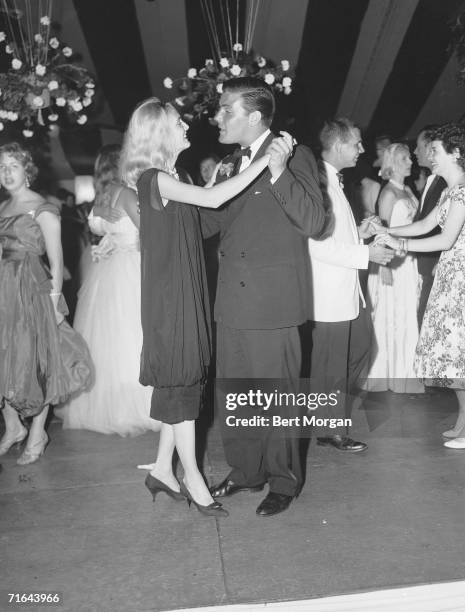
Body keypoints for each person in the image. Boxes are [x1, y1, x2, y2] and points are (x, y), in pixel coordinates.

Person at [120, 97, 289, 517]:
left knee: (182, 378)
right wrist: (264, 163)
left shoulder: (175, 177)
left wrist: (216, 180)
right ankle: (193, 477)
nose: (186, 127)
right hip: (169, 295)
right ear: (160, 133)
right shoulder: (153, 179)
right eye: (178, 123)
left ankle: (162, 468)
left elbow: (202, 215)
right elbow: (211, 204)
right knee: (181, 378)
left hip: (182, 287)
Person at [201, 77, 327, 517]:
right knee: (236, 395)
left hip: (273, 303)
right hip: (232, 302)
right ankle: (246, 470)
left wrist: (277, 172)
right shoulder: (229, 163)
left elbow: (314, 222)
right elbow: (210, 223)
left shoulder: (297, 157)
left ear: (254, 116)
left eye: (225, 109)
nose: (217, 117)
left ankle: (283, 480)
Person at [56, 146, 161, 436]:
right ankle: (141, 404)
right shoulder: (127, 194)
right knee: (135, 334)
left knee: (108, 337)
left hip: (107, 273)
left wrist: (113, 242)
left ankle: (107, 405)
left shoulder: (100, 198)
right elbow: (151, 232)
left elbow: (105, 230)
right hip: (130, 266)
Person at [0, 143, 92, 464]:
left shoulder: (43, 208)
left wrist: (54, 305)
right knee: (5, 359)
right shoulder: (2, 209)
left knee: (36, 361)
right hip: (4, 291)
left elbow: (56, 261)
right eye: (2, 167)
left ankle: (38, 431)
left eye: (13, 165)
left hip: (32, 291)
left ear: (27, 170)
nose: (7, 172)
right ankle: (13, 426)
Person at [308, 118, 394, 452]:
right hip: (329, 293)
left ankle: (325, 416)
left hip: (346, 291)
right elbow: (315, 245)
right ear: (340, 145)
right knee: (332, 362)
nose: (362, 149)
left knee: (361, 348)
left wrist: (362, 232)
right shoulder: (318, 185)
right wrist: (366, 252)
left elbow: (335, 236)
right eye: (357, 143)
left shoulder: (335, 183)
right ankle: (328, 427)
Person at [377, 124, 465, 448]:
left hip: (460, 280)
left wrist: (401, 247)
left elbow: (445, 238)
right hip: (450, 276)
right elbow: (427, 224)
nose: (430, 157)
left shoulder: (463, 191)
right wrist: (393, 233)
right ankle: (462, 421)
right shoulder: (448, 191)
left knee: (458, 353)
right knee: (452, 354)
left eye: (436, 151)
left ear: (456, 153)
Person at [365, 144, 424, 393]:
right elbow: (381, 233)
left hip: (409, 261)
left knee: (409, 314)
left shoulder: (407, 189)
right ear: (392, 162)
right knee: (393, 315)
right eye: (404, 158)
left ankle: (407, 373)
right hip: (393, 264)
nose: (410, 161)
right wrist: (384, 267)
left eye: (410, 157)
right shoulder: (388, 193)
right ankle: (390, 374)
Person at [413, 126, 447, 326]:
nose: (415, 152)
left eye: (418, 147)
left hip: (437, 264)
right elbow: (424, 223)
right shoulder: (433, 181)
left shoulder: (447, 184)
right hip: (426, 264)